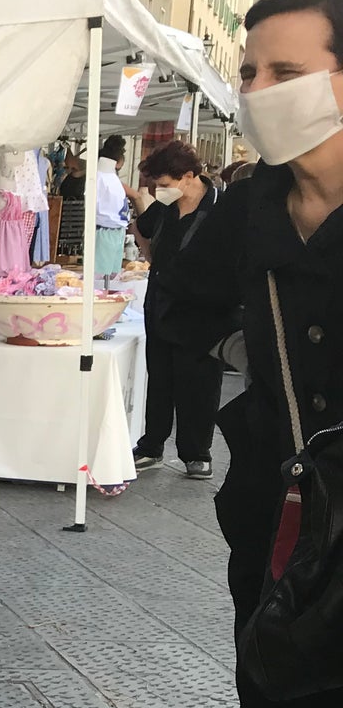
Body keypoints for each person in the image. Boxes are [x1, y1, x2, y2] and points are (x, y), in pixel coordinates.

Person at [159, 0, 343, 708]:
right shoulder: (244, 209)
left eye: (285, 70)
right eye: (249, 71)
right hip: (281, 537)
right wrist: (253, 410)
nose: (260, 90)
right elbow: (176, 317)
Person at [132, 139, 230, 479]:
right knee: (159, 377)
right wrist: (150, 255)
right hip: (161, 299)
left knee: (199, 381)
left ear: (188, 176)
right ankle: (151, 445)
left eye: (164, 184)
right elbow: (142, 230)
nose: (160, 191)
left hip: (202, 308)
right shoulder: (165, 207)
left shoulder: (221, 208)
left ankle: (196, 453)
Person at [93, 133, 139, 283]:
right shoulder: (100, 177)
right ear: (119, 161)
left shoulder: (109, 178)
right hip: (104, 229)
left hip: (115, 229)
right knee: (101, 277)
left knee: (110, 277)